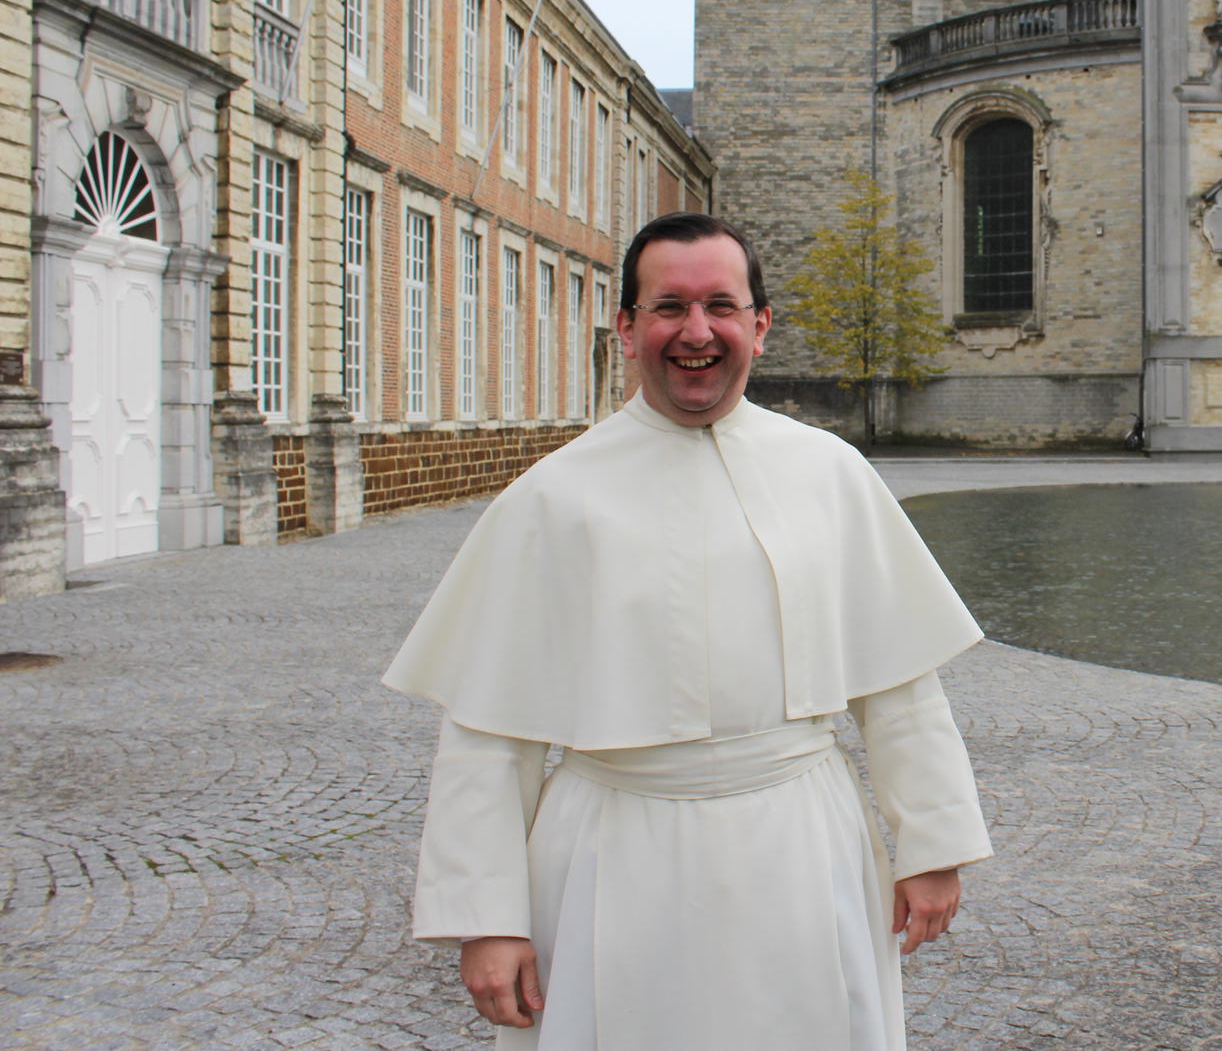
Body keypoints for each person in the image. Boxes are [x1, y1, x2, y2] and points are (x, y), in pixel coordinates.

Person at [383, 212, 992, 1048]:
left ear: (760, 326)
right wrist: (487, 917)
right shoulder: (552, 497)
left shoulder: (829, 474)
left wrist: (933, 843)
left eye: (721, 306)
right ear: (628, 327)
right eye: (669, 307)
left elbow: (898, 686)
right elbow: (490, 734)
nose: (696, 332)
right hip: (615, 855)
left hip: (802, 848)